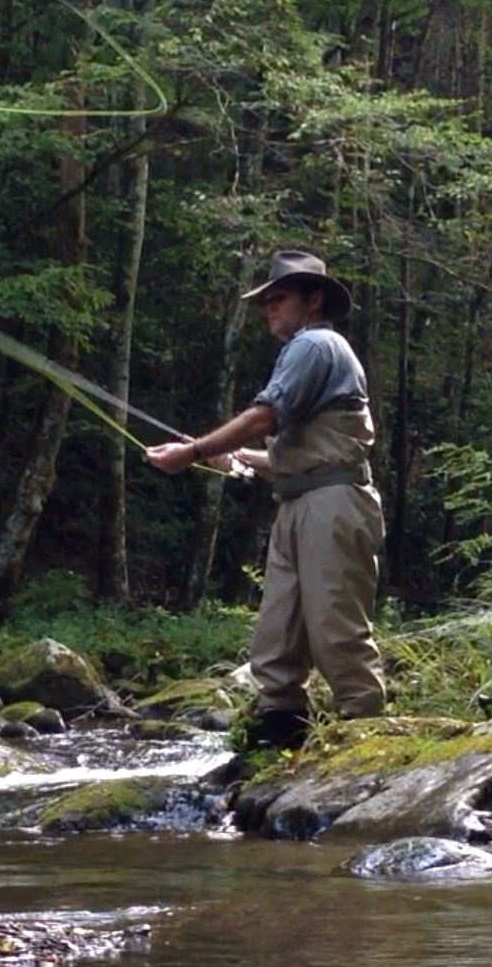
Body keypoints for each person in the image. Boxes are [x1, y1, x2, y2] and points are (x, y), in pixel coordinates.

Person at [148, 250, 385, 750]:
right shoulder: (311, 350)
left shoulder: (316, 343)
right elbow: (291, 455)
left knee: (336, 628)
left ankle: (365, 741)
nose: (269, 308)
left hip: (333, 505)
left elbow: (264, 417)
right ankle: (280, 730)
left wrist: (193, 451)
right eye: (267, 301)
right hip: (300, 503)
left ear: (313, 300)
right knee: (278, 631)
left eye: (279, 298)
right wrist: (231, 457)